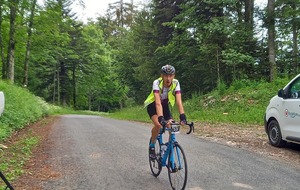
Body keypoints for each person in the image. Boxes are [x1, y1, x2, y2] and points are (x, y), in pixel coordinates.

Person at [144, 64, 187, 160]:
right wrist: (160, 118)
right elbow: (158, 103)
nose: (168, 78)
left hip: (165, 106)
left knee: (171, 126)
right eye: (166, 76)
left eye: (170, 75)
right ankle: (152, 146)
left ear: (174, 76)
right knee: (158, 125)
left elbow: (179, 101)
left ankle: (167, 147)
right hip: (153, 105)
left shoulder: (176, 83)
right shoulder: (157, 82)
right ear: (162, 76)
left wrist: (182, 116)